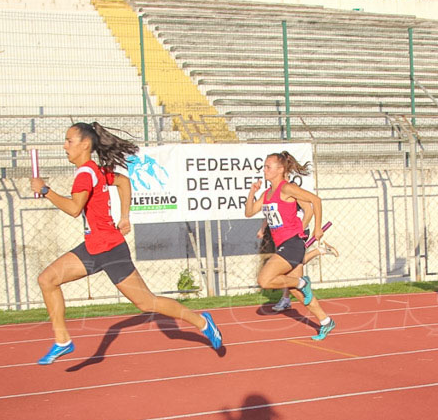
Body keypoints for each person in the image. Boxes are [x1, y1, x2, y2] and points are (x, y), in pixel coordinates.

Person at [30, 122, 222, 364]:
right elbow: (123, 182)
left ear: (85, 145)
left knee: (146, 302)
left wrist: (45, 190)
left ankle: (203, 321)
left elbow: (74, 208)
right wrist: (124, 216)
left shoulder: (86, 174)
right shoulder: (95, 171)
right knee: (47, 279)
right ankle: (62, 341)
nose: (64, 146)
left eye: (69, 141)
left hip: (109, 249)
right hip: (93, 247)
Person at [245, 151, 335, 340]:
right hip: (283, 245)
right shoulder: (267, 193)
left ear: (280, 170)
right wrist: (252, 192)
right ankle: (326, 321)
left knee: (265, 280)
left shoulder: (286, 189)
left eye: (269, 166)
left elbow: (315, 201)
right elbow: (249, 212)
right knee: (297, 292)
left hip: (293, 244)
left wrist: (317, 228)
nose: (265, 169)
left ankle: (303, 282)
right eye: (265, 166)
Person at [265, 197, 339, 312]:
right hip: (285, 236)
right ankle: (320, 251)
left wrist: (298, 234)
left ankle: (288, 297)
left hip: (297, 234)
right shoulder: (276, 199)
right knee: (291, 265)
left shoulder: (294, 200)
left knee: (292, 265)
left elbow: (310, 209)